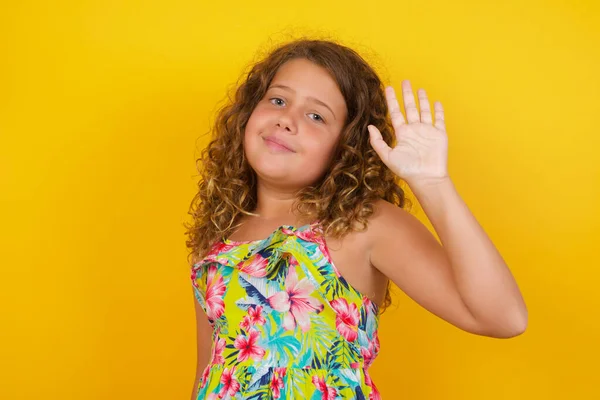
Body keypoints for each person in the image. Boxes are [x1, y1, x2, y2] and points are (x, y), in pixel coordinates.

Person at [185, 38, 527, 400]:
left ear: (345, 146)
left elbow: (504, 318)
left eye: (316, 116)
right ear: (248, 113)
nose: (287, 120)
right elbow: (208, 372)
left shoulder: (362, 224)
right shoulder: (217, 241)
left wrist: (433, 183)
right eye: (278, 100)